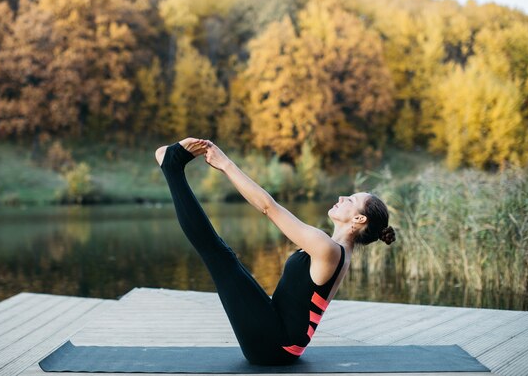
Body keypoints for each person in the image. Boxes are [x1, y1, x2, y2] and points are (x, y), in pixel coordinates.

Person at [155, 137, 396, 365]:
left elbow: (268, 207)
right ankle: (173, 165)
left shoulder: (328, 249)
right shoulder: (336, 250)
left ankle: (172, 167)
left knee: (219, 255)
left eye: (351, 200)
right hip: (279, 337)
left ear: (358, 218)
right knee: (223, 256)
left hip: (274, 346)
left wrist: (226, 165)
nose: (342, 197)